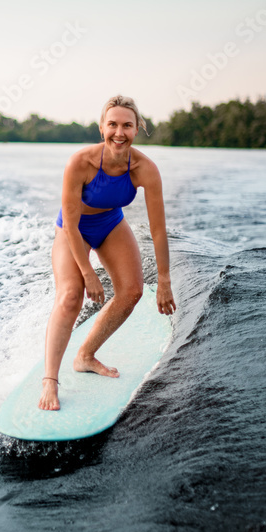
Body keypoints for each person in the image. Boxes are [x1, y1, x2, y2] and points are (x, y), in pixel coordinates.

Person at [39, 95, 176, 411]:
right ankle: (50, 380)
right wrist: (88, 272)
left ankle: (85, 355)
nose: (119, 132)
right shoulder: (81, 162)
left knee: (132, 292)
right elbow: (71, 224)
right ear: (101, 128)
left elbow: (158, 230)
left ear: (137, 129)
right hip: (73, 228)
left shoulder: (145, 169)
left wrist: (165, 279)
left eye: (127, 125)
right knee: (71, 296)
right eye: (112, 124)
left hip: (111, 222)